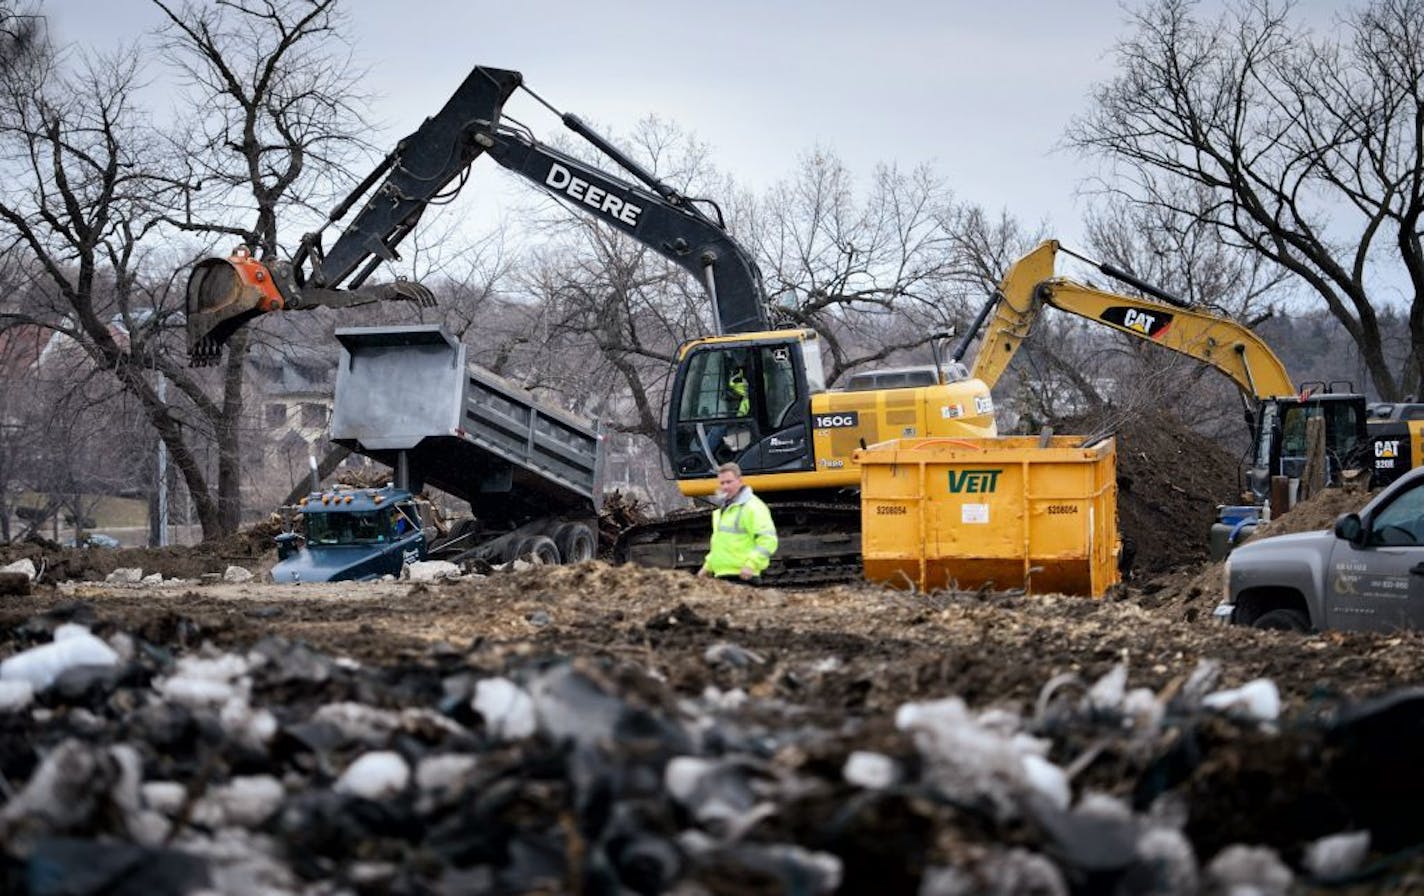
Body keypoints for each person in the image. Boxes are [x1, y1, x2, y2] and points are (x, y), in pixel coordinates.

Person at [698, 462, 778, 583]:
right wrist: (707, 567)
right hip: (722, 575)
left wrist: (751, 564)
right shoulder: (724, 510)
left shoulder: (752, 507)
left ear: (740, 481)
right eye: (722, 483)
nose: (725, 487)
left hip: (743, 576)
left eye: (729, 482)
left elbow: (768, 539)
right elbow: (721, 544)